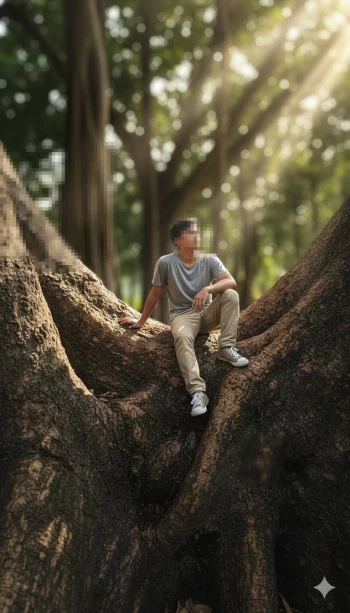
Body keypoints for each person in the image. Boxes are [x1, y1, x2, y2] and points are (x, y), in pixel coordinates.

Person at [119, 217, 249, 417]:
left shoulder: (210, 260)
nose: (196, 235)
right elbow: (155, 293)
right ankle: (198, 392)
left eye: (197, 232)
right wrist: (140, 321)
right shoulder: (166, 263)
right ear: (178, 240)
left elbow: (230, 282)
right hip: (182, 316)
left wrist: (208, 288)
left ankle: (227, 348)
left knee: (231, 294)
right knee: (180, 337)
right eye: (191, 232)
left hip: (207, 313)